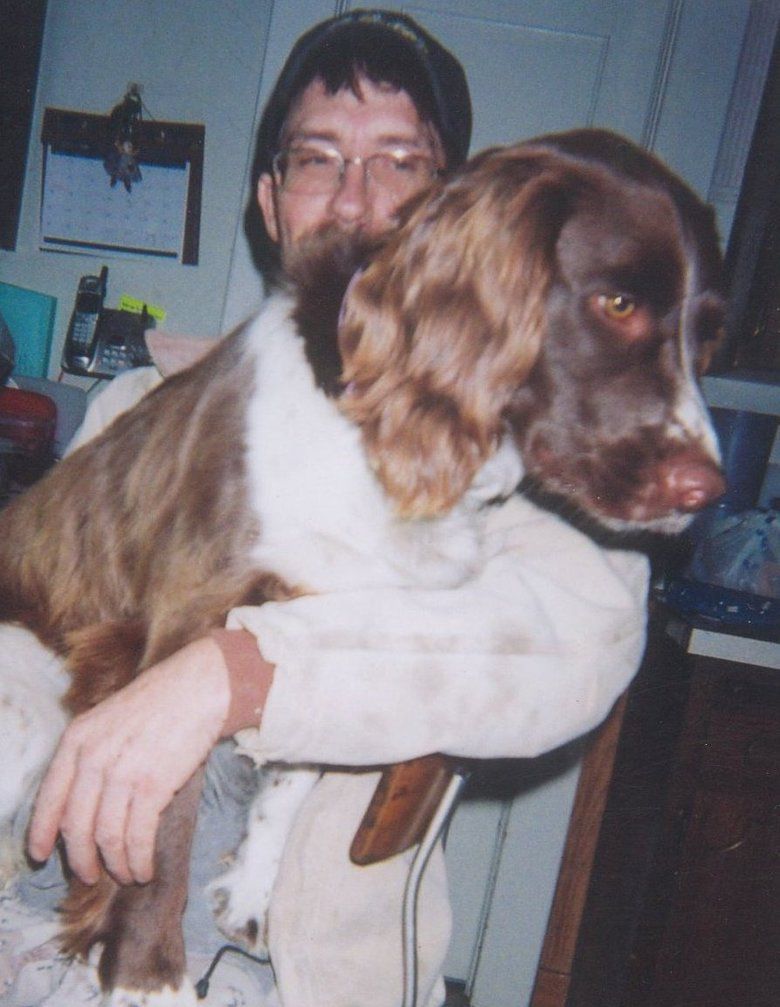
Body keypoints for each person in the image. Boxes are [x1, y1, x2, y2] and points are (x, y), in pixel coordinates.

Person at [25, 11, 649, 1007]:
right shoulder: (140, 412)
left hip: (300, 975)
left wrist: (238, 671)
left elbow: (581, 638)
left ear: (451, 204)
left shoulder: (518, 435)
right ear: (272, 202)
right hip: (52, 921)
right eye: (318, 160)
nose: (356, 200)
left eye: (399, 162)